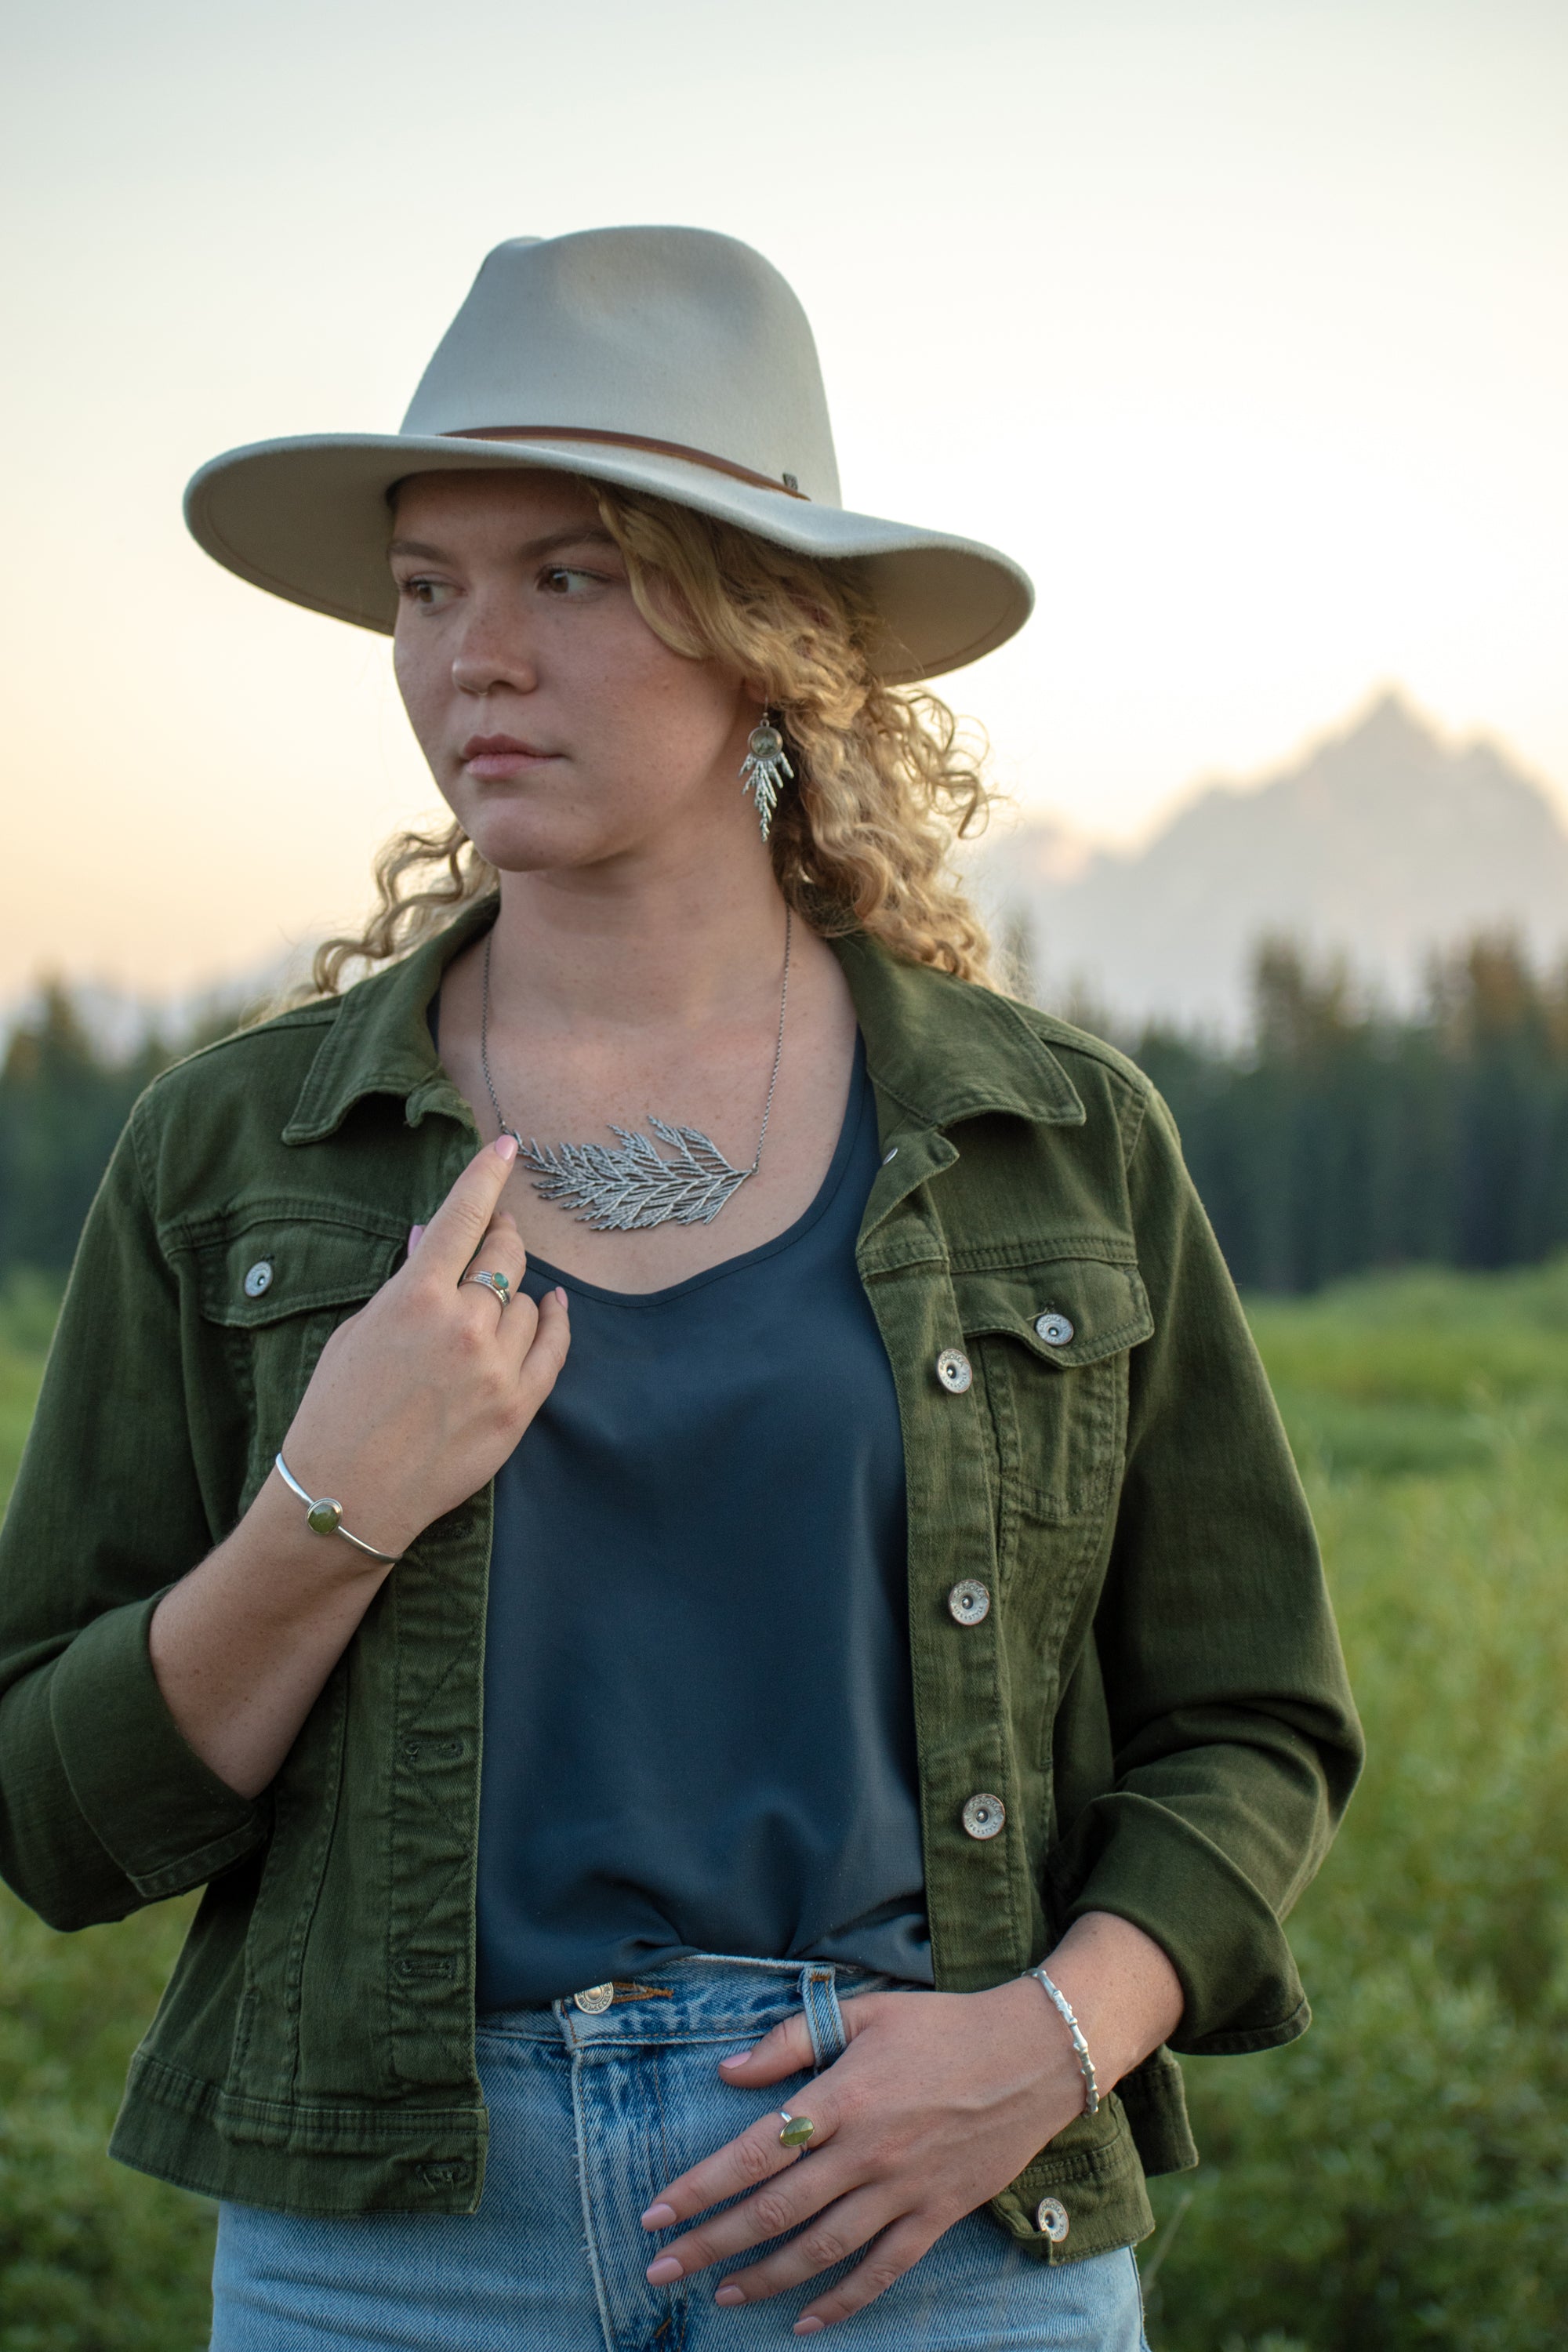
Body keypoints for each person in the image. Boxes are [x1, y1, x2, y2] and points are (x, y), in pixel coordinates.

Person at [0, 227, 1361, 2350]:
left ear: (772, 645)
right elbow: (57, 1816)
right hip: (396, 2250)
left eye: (573, 575)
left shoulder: (1057, 1141)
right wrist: (326, 1510)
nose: (476, 656)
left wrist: (1054, 2045)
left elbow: (1253, 1723)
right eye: (428, 589)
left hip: (923, 2223)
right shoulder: (233, 1152)